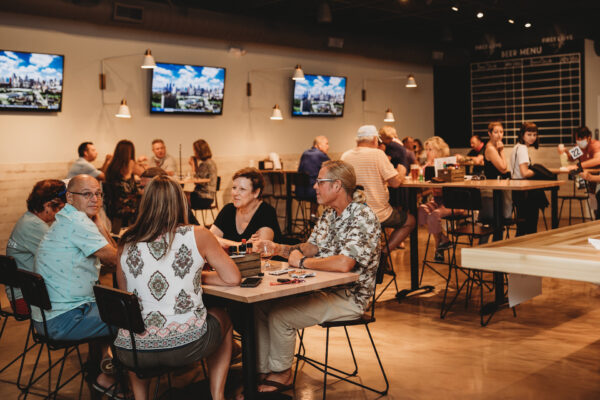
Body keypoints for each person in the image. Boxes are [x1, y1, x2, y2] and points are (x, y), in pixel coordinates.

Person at [253, 160, 381, 393]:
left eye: (320, 182)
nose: (314, 186)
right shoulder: (329, 214)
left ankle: (282, 372)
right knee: (261, 307)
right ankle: (263, 369)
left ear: (337, 186)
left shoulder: (362, 216)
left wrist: (302, 262)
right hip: (322, 290)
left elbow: (345, 263)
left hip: (349, 298)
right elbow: (312, 246)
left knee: (280, 316)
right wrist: (277, 248)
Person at [115, 175, 241, 400]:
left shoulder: (127, 239)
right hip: (184, 346)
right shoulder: (198, 234)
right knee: (223, 317)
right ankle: (218, 396)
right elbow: (232, 278)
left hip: (131, 351)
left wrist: (193, 277)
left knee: (132, 328)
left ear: (146, 203)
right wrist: (198, 276)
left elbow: (126, 295)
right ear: (181, 202)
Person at [33, 175, 118, 394]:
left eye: (98, 193)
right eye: (86, 194)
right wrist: (99, 224)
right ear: (70, 197)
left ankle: (102, 366)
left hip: (48, 316)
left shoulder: (67, 218)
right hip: (64, 320)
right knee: (132, 316)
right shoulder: (79, 222)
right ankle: (108, 377)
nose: (94, 199)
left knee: (112, 307)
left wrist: (96, 222)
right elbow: (115, 259)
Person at [341, 125, 415, 253]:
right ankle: (383, 253)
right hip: (377, 213)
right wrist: (402, 169)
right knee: (410, 220)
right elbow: (395, 183)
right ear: (375, 139)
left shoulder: (345, 156)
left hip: (351, 213)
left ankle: (372, 253)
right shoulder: (378, 154)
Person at [5, 179, 66, 315]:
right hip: (26, 298)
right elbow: (61, 259)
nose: (60, 214)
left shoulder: (29, 219)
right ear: (47, 205)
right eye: (59, 208)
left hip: (22, 293)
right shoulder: (35, 226)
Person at [210, 167, 281, 248]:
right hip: (231, 260)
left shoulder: (266, 212)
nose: (235, 193)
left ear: (256, 192)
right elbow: (209, 239)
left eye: (242, 189)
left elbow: (259, 249)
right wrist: (242, 245)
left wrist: (224, 243)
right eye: (234, 188)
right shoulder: (228, 210)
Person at [418, 136, 454, 261]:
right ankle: (443, 239)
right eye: (426, 149)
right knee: (421, 211)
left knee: (433, 216)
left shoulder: (448, 165)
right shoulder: (427, 167)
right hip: (436, 201)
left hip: (450, 201)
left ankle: (438, 248)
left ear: (439, 151)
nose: (426, 152)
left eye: (430, 149)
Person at [511, 122, 548, 235]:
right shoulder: (522, 149)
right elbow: (524, 173)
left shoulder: (516, 147)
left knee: (522, 225)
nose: (532, 137)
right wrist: (537, 172)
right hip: (524, 190)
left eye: (534, 135)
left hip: (517, 189)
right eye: (529, 134)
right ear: (522, 135)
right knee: (529, 225)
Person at [105, 140, 145, 233]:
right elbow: (146, 174)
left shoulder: (111, 165)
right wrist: (140, 164)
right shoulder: (130, 163)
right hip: (129, 209)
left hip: (113, 208)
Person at [379, 126, 414, 212]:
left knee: (397, 205)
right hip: (400, 174)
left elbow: (386, 161)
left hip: (397, 176)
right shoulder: (396, 144)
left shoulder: (392, 145)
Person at [296, 136, 330, 217]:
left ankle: (313, 216)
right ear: (319, 145)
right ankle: (328, 220)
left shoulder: (305, 153)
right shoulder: (321, 155)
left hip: (300, 192)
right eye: (326, 144)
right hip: (313, 193)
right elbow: (333, 169)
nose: (328, 146)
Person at [189, 139, 218, 210]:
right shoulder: (211, 162)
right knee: (183, 196)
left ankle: (187, 219)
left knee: (180, 197)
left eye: (195, 151)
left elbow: (196, 181)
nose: (194, 153)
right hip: (210, 197)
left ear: (199, 151)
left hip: (203, 198)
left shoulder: (205, 164)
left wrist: (193, 165)